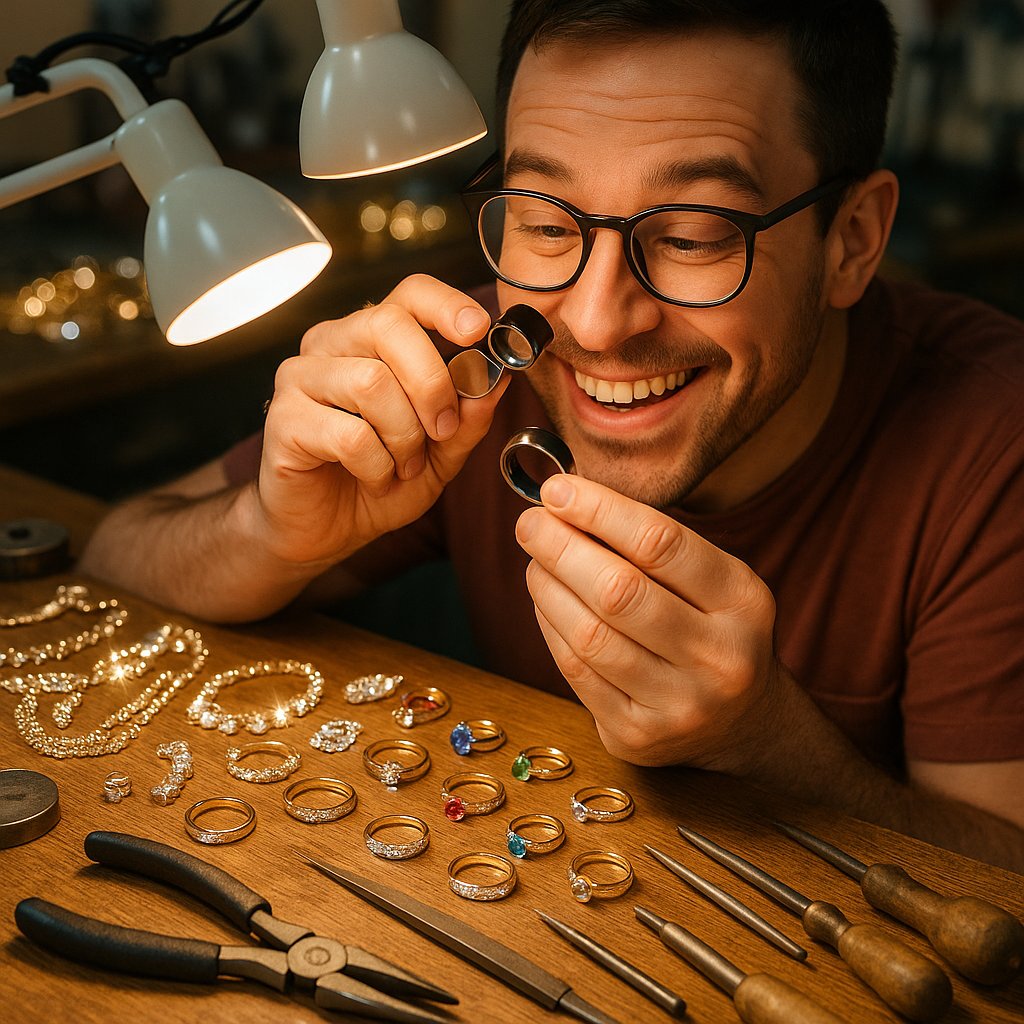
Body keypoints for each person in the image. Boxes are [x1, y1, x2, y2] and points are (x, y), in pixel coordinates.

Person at [80, 0, 1024, 871]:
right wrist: (268, 535)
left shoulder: (993, 439)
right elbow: (118, 554)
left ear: (852, 240)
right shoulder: (475, 362)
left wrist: (767, 745)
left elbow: (1008, 884)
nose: (599, 322)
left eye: (693, 235)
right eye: (544, 221)